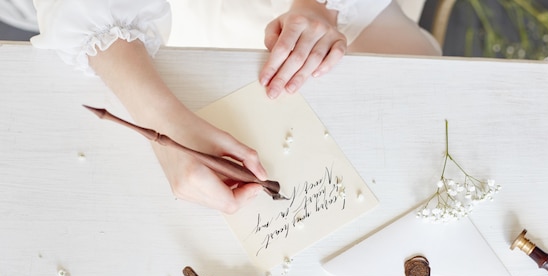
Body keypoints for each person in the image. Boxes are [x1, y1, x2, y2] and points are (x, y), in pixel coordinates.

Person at [30, 0, 440, 213]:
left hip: (329, 14)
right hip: (164, 27)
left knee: (425, 112)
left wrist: (316, 7)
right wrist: (162, 125)